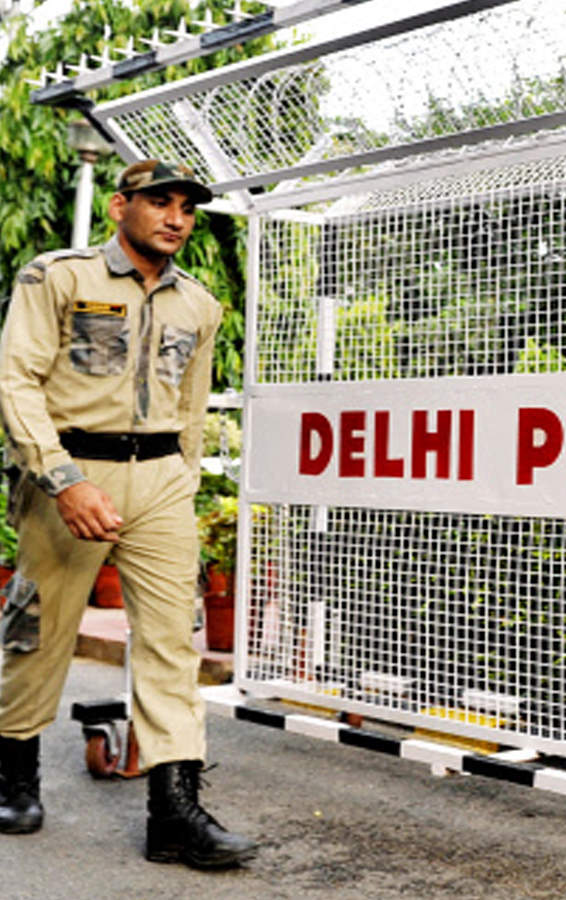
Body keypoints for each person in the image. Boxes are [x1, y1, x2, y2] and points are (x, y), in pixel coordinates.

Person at [0, 159, 257, 868]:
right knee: (38, 629)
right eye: (160, 202)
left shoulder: (199, 305)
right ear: (121, 206)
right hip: (72, 472)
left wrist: (184, 480)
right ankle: (13, 776)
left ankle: (173, 812)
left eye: (186, 208)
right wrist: (61, 479)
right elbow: (16, 380)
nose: (175, 217)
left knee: (173, 641)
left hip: (161, 479)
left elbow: (193, 409)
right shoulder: (57, 277)